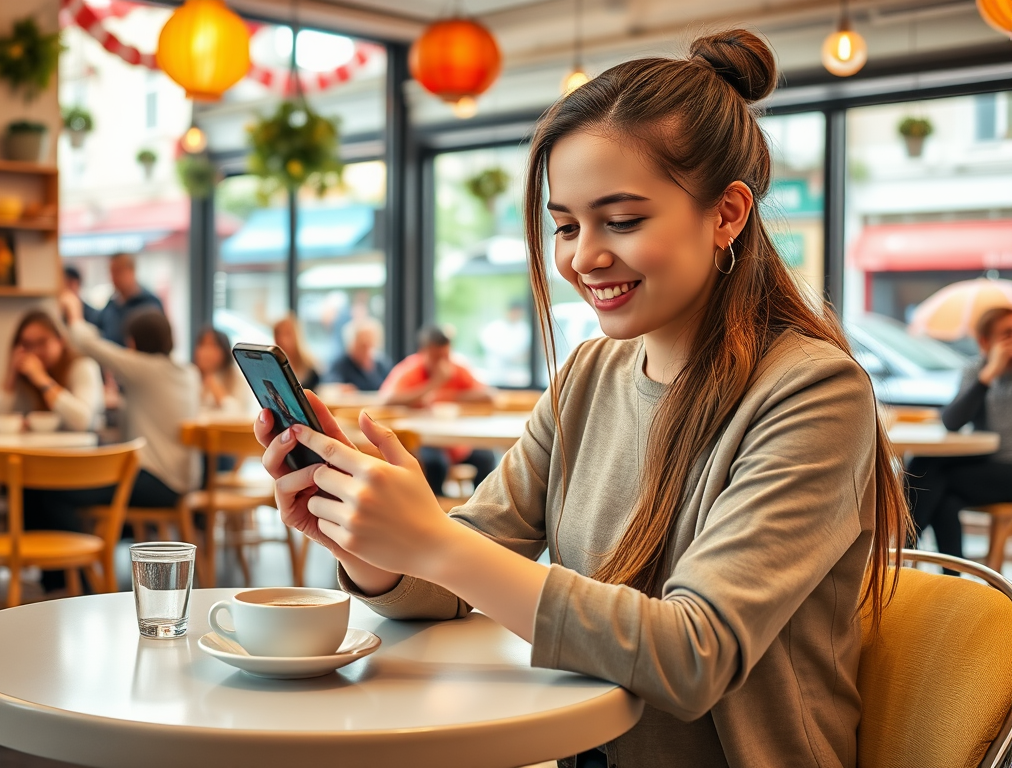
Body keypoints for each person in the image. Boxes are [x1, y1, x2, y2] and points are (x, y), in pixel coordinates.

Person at [256, 31, 910, 768]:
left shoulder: (814, 392)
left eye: (622, 221)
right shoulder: (588, 376)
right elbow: (459, 573)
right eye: (565, 224)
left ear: (727, 214)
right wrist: (375, 544)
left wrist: (437, 543)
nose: (582, 256)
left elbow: (695, 655)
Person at [26, 293, 202, 582]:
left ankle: (77, 580)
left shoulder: (145, 369)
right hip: (182, 479)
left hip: (157, 480)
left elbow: (90, 345)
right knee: (62, 488)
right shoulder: (187, 372)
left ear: (133, 343)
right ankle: (62, 577)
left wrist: (74, 314)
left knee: (54, 489)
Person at [908, 306, 1012, 565]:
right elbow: (952, 421)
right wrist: (986, 377)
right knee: (938, 487)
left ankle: (904, 552)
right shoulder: (976, 371)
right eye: (1007, 335)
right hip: (986, 464)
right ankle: (952, 579)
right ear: (984, 342)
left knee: (930, 473)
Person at [379, 324, 496, 495]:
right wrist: (434, 383)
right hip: (425, 441)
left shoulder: (456, 368)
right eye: (436, 357)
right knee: (435, 464)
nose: (442, 362)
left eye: (446, 355)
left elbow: (489, 396)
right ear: (422, 352)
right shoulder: (411, 370)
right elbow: (386, 400)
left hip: (456, 442)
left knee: (486, 458)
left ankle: (478, 512)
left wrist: (450, 395)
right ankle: (437, 513)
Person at [0, 310, 103, 432]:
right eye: (27, 345)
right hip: (34, 449)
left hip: (81, 449)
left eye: (42, 342)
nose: (35, 351)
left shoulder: (83, 366)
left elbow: (83, 422)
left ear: (61, 340)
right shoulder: (24, 376)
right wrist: (10, 378)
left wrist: (42, 380)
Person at [94, 252, 165, 346]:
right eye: (111, 272)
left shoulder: (149, 304)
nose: (113, 278)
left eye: (117, 271)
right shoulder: (111, 304)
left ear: (131, 271)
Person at [193, 325, 252, 416]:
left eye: (212, 345)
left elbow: (241, 415)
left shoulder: (237, 378)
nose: (206, 351)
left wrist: (215, 388)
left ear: (224, 350)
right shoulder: (190, 376)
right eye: (202, 345)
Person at [326, 318, 391, 392]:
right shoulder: (340, 365)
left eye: (370, 343)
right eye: (362, 344)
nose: (366, 349)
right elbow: (329, 386)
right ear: (351, 344)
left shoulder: (381, 365)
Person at [273, 313, 320, 390]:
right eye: (277, 334)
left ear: (296, 335)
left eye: (287, 334)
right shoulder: (272, 365)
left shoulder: (311, 370)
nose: (281, 339)